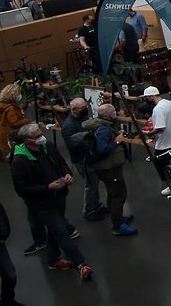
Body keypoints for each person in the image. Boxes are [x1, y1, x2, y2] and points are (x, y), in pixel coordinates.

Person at [10, 123, 93, 280]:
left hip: (59, 195)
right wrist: (47, 187)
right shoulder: (19, 161)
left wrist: (67, 173)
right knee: (61, 231)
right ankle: (81, 264)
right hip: (42, 204)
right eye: (37, 136)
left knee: (55, 230)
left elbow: (61, 162)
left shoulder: (46, 146)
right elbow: (21, 189)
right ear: (27, 140)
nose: (41, 138)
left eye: (41, 134)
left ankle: (53, 259)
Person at [83, 104, 137, 237]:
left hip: (109, 167)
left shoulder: (103, 125)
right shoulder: (103, 129)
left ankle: (116, 216)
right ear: (109, 115)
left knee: (113, 193)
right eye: (113, 111)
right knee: (119, 195)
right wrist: (117, 142)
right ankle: (118, 225)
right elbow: (102, 149)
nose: (116, 113)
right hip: (109, 168)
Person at [61, 98, 107, 222]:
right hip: (82, 160)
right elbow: (71, 145)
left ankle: (95, 205)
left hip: (90, 157)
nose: (85, 109)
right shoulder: (68, 126)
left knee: (95, 182)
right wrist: (88, 140)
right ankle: (89, 210)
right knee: (90, 184)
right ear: (74, 110)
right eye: (82, 108)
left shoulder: (82, 118)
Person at [143, 86, 171, 196]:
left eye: (147, 98)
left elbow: (160, 127)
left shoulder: (158, 109)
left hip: (166, 142)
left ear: (151, 96)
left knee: (160, 161)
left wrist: (149, 133)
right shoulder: (169, 103)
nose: (146, 101)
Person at [0, 83, 28, 163]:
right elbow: (14, 123)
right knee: (19, 155)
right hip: (11, 133)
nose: (19, 95)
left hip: (4, 132)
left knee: (13, 153)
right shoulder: (10, 108)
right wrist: (26, 120)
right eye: (18, 93)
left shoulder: (0, 104)